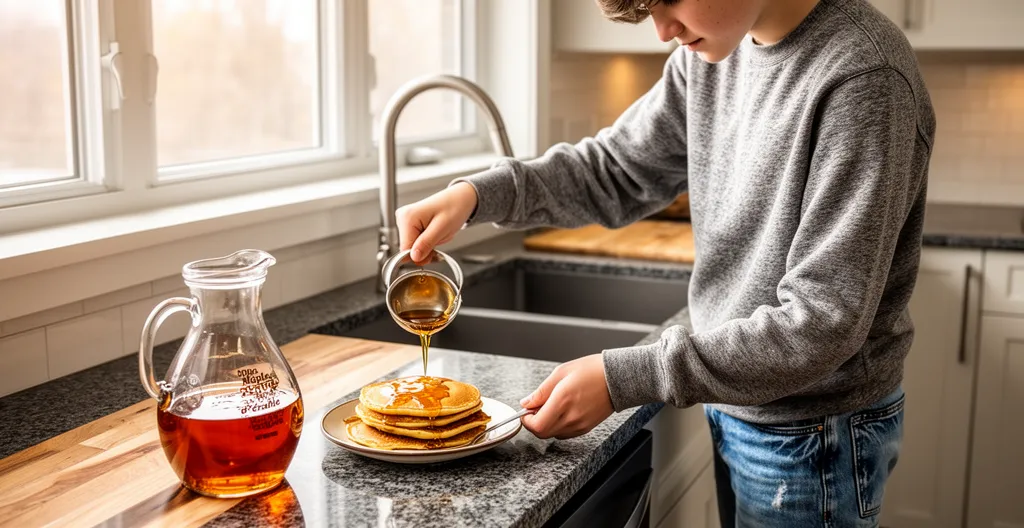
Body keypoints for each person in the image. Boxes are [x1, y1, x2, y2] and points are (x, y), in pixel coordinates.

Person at [396, 0, 934, 525]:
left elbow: (819, 323)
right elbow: (614, 171)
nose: (662, 30)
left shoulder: (864, 75)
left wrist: (622, 377)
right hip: (741, 402)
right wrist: (476, 195)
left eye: (669, 0)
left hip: (816, 431)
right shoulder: (708, 56)